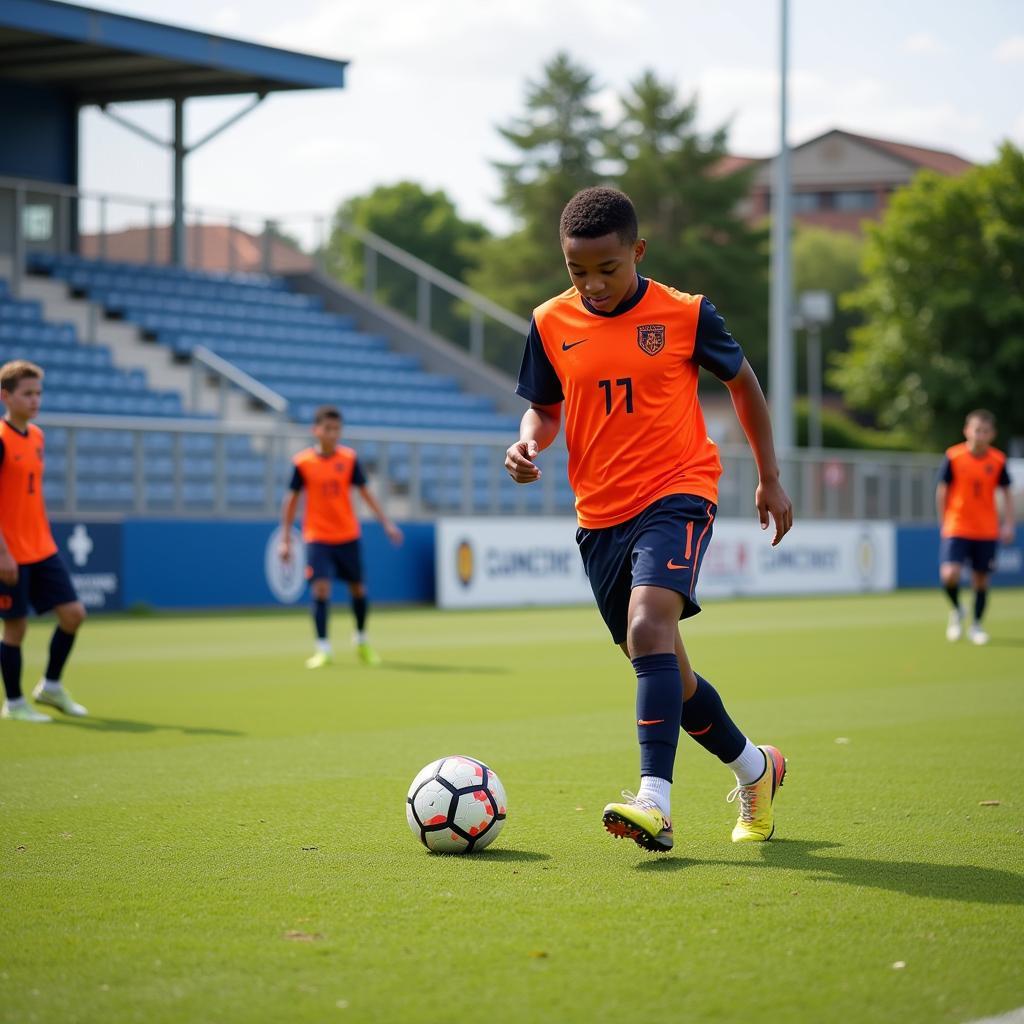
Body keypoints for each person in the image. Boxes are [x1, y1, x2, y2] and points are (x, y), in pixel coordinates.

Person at [505, 187, 793, 853]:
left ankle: (654, 803)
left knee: (647, 625)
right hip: (599, 517)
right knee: (668, 671)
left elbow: (742, 382)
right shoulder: (550, 322)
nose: (593, 284)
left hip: (678, 492)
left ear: (637, 251)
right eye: (578, 271)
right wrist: (528, 442)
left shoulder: (685, 314)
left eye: (608, 269)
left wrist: (770, 476)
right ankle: (757, 768)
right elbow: (544, 409)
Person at [279, 405, 403, 668]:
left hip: (347, 534)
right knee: (320, 588)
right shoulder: (303, 463)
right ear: (316, 430)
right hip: (317, 536)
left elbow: (366, 493)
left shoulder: (348, 458)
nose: (333, 434)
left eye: (337, 429)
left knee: (358, 588)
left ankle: (361, 641)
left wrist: (386, 523)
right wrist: (285, 538)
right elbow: (291, 501)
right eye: (328, 429)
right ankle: (323, 649)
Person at [0, 360, 88, 723]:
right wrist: (2, 552)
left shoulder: (36, 436)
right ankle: (15, 703)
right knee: (16, 627)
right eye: (27, 393)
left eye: (38, 393)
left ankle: (51, 686)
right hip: (10, 550)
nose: (35, 400)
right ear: (6, 396)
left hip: (41, 545)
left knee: (73, 614)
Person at [937, 409, 1014, 645]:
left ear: (992, 434)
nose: (979, 435)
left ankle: (977, 626)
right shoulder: (954, 457)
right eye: (976, 430)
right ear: (966, 431)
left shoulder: (998, 460)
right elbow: (942, 490)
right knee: (950, 574)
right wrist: (944, 522)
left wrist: (1009, 524)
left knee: (981, 580)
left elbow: (1007, 493)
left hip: (986, 529)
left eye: (984, 431)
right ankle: (957, 609)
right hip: (957, 525)